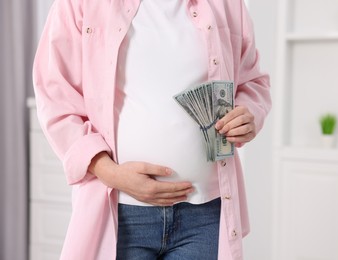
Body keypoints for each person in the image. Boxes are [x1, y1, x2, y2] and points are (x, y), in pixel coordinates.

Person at [33, 0, 272, 259]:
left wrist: (249, 114)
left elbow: (252, 81)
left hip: (205, 215)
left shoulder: (227, 4)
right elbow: (56, 97)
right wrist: (109, 172)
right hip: (122, 213)